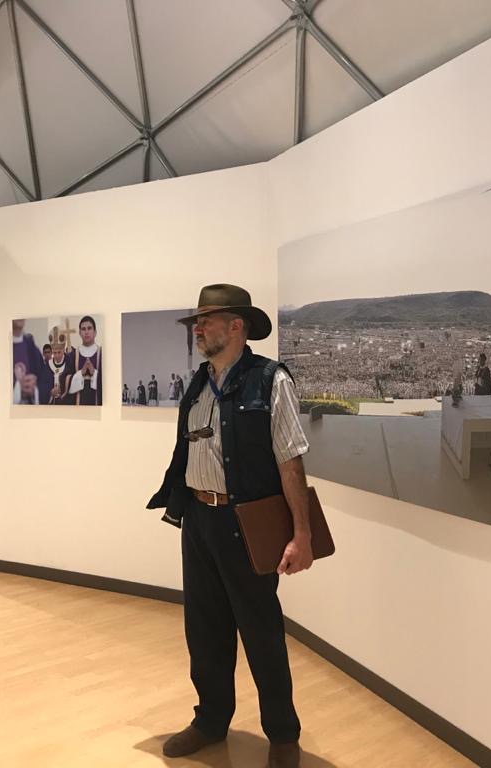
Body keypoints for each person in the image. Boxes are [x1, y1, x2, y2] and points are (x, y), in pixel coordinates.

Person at [147, 284, 310, 768]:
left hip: (246, 524)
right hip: (198, 519)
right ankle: (211, 720)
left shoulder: (270, 381)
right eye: (196, 322)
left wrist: (300, 534)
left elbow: (291, 461)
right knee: (204, 628)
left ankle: (282, 735)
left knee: (261, 632)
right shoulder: (199, 383)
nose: (198, 329)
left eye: (207, 320)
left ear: (237, 325)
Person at [67, 316, 102, 405]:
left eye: (89, 328)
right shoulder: (73, 355)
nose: (86, 332)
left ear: (95, 332)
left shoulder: (102, 354)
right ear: (80, 333)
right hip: (78, 406)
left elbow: (110, 382)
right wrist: (80, 373)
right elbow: (66, 379)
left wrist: (94, 373)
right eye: (83, 329)